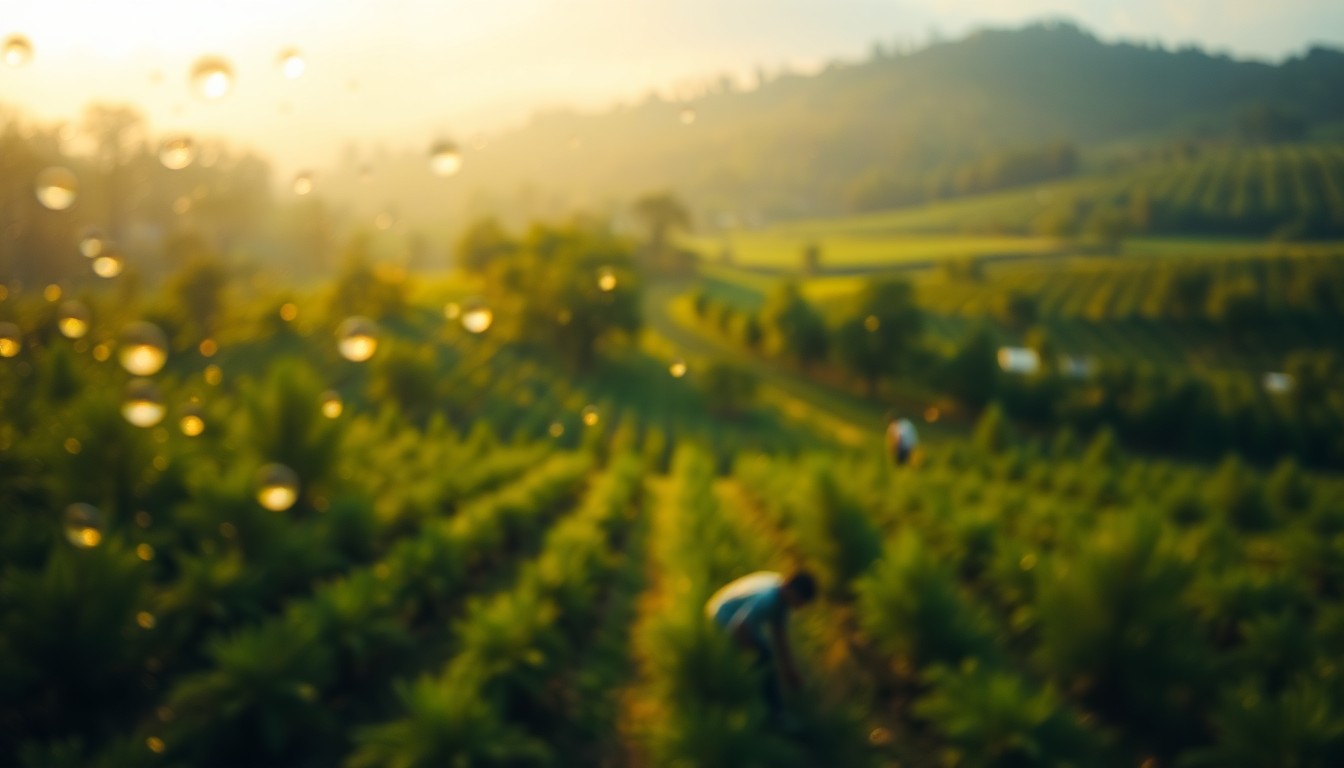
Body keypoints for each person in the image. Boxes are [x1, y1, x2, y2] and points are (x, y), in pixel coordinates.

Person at [704, 569, 817, 726]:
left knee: (765, 655)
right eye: (800, 602)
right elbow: (740, 626)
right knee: (763, 658)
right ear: (793, 592)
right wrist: (749, 654)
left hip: (723, 612)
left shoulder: (779, 594)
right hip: (720, 619)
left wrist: (790, 671)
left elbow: (780, 637)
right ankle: (773, 715)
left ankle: (772, 711)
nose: (798, 608)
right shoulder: (769, 599)